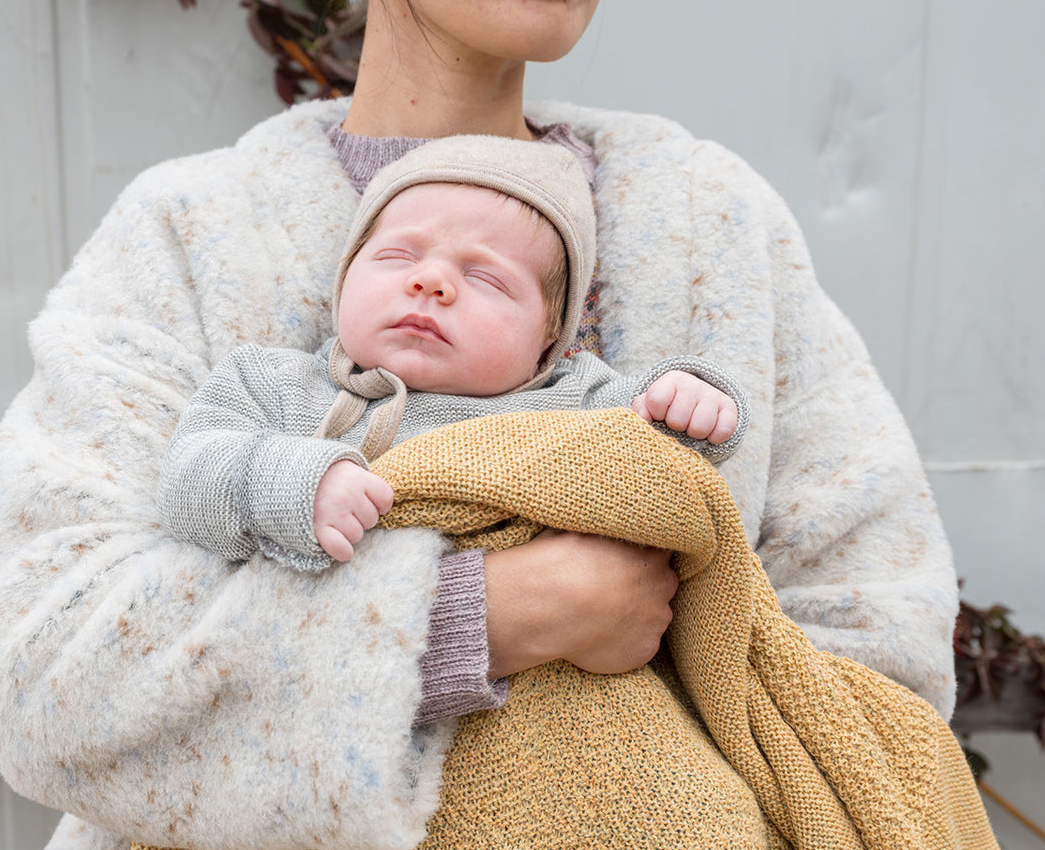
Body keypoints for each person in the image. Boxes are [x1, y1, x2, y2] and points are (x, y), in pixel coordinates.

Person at [0, 0, 968, 850]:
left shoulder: (707, 223)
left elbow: (881, 644)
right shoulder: (193, 236)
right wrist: (480, 615)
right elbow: (52, 670)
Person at [158, 134, 747, 573]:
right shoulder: (273, 385)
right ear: (345, 279)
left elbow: (661, 450)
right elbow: (187, 481)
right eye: (396, 258)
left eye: (487, 279)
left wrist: (689, 399)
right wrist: (294, 483)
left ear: (549, 339)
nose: (431, 283)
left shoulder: (573, 397)